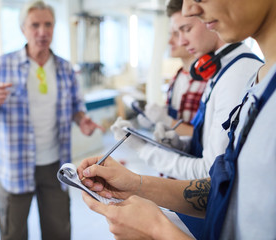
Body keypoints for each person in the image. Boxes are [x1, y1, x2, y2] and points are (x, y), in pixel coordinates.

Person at [77, 0, 276, 239]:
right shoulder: (256, 79)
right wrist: (135, 183)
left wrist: (157, 229)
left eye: (186, 29)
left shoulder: (241, 75)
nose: (189, 9)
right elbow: (226, 189)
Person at [0, 1, 103, 239]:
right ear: (23, 29)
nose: (42, 31)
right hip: (15, 166)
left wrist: (82, 120)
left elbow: (76, 107)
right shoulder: (3, 65)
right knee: (12, 232)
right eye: (35, 25)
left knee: (58, 231)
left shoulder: (64, 68)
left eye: (48, 24)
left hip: (55, 165)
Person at [111, 0, 263, 180]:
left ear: (209, 21)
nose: (181, 41)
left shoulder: (237, 74)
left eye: (186, 29)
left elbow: (210, 172)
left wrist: (144, 149)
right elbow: (212, 145)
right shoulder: (222, 70)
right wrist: (180, 145)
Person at [137, 7, 206, 137]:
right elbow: (176, 115)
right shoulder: (178, 76)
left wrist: (166, 121)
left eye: (181, 31)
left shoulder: (207, 79)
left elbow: (204, 137)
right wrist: (155, 119)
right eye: (171, 34)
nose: (170, 41)